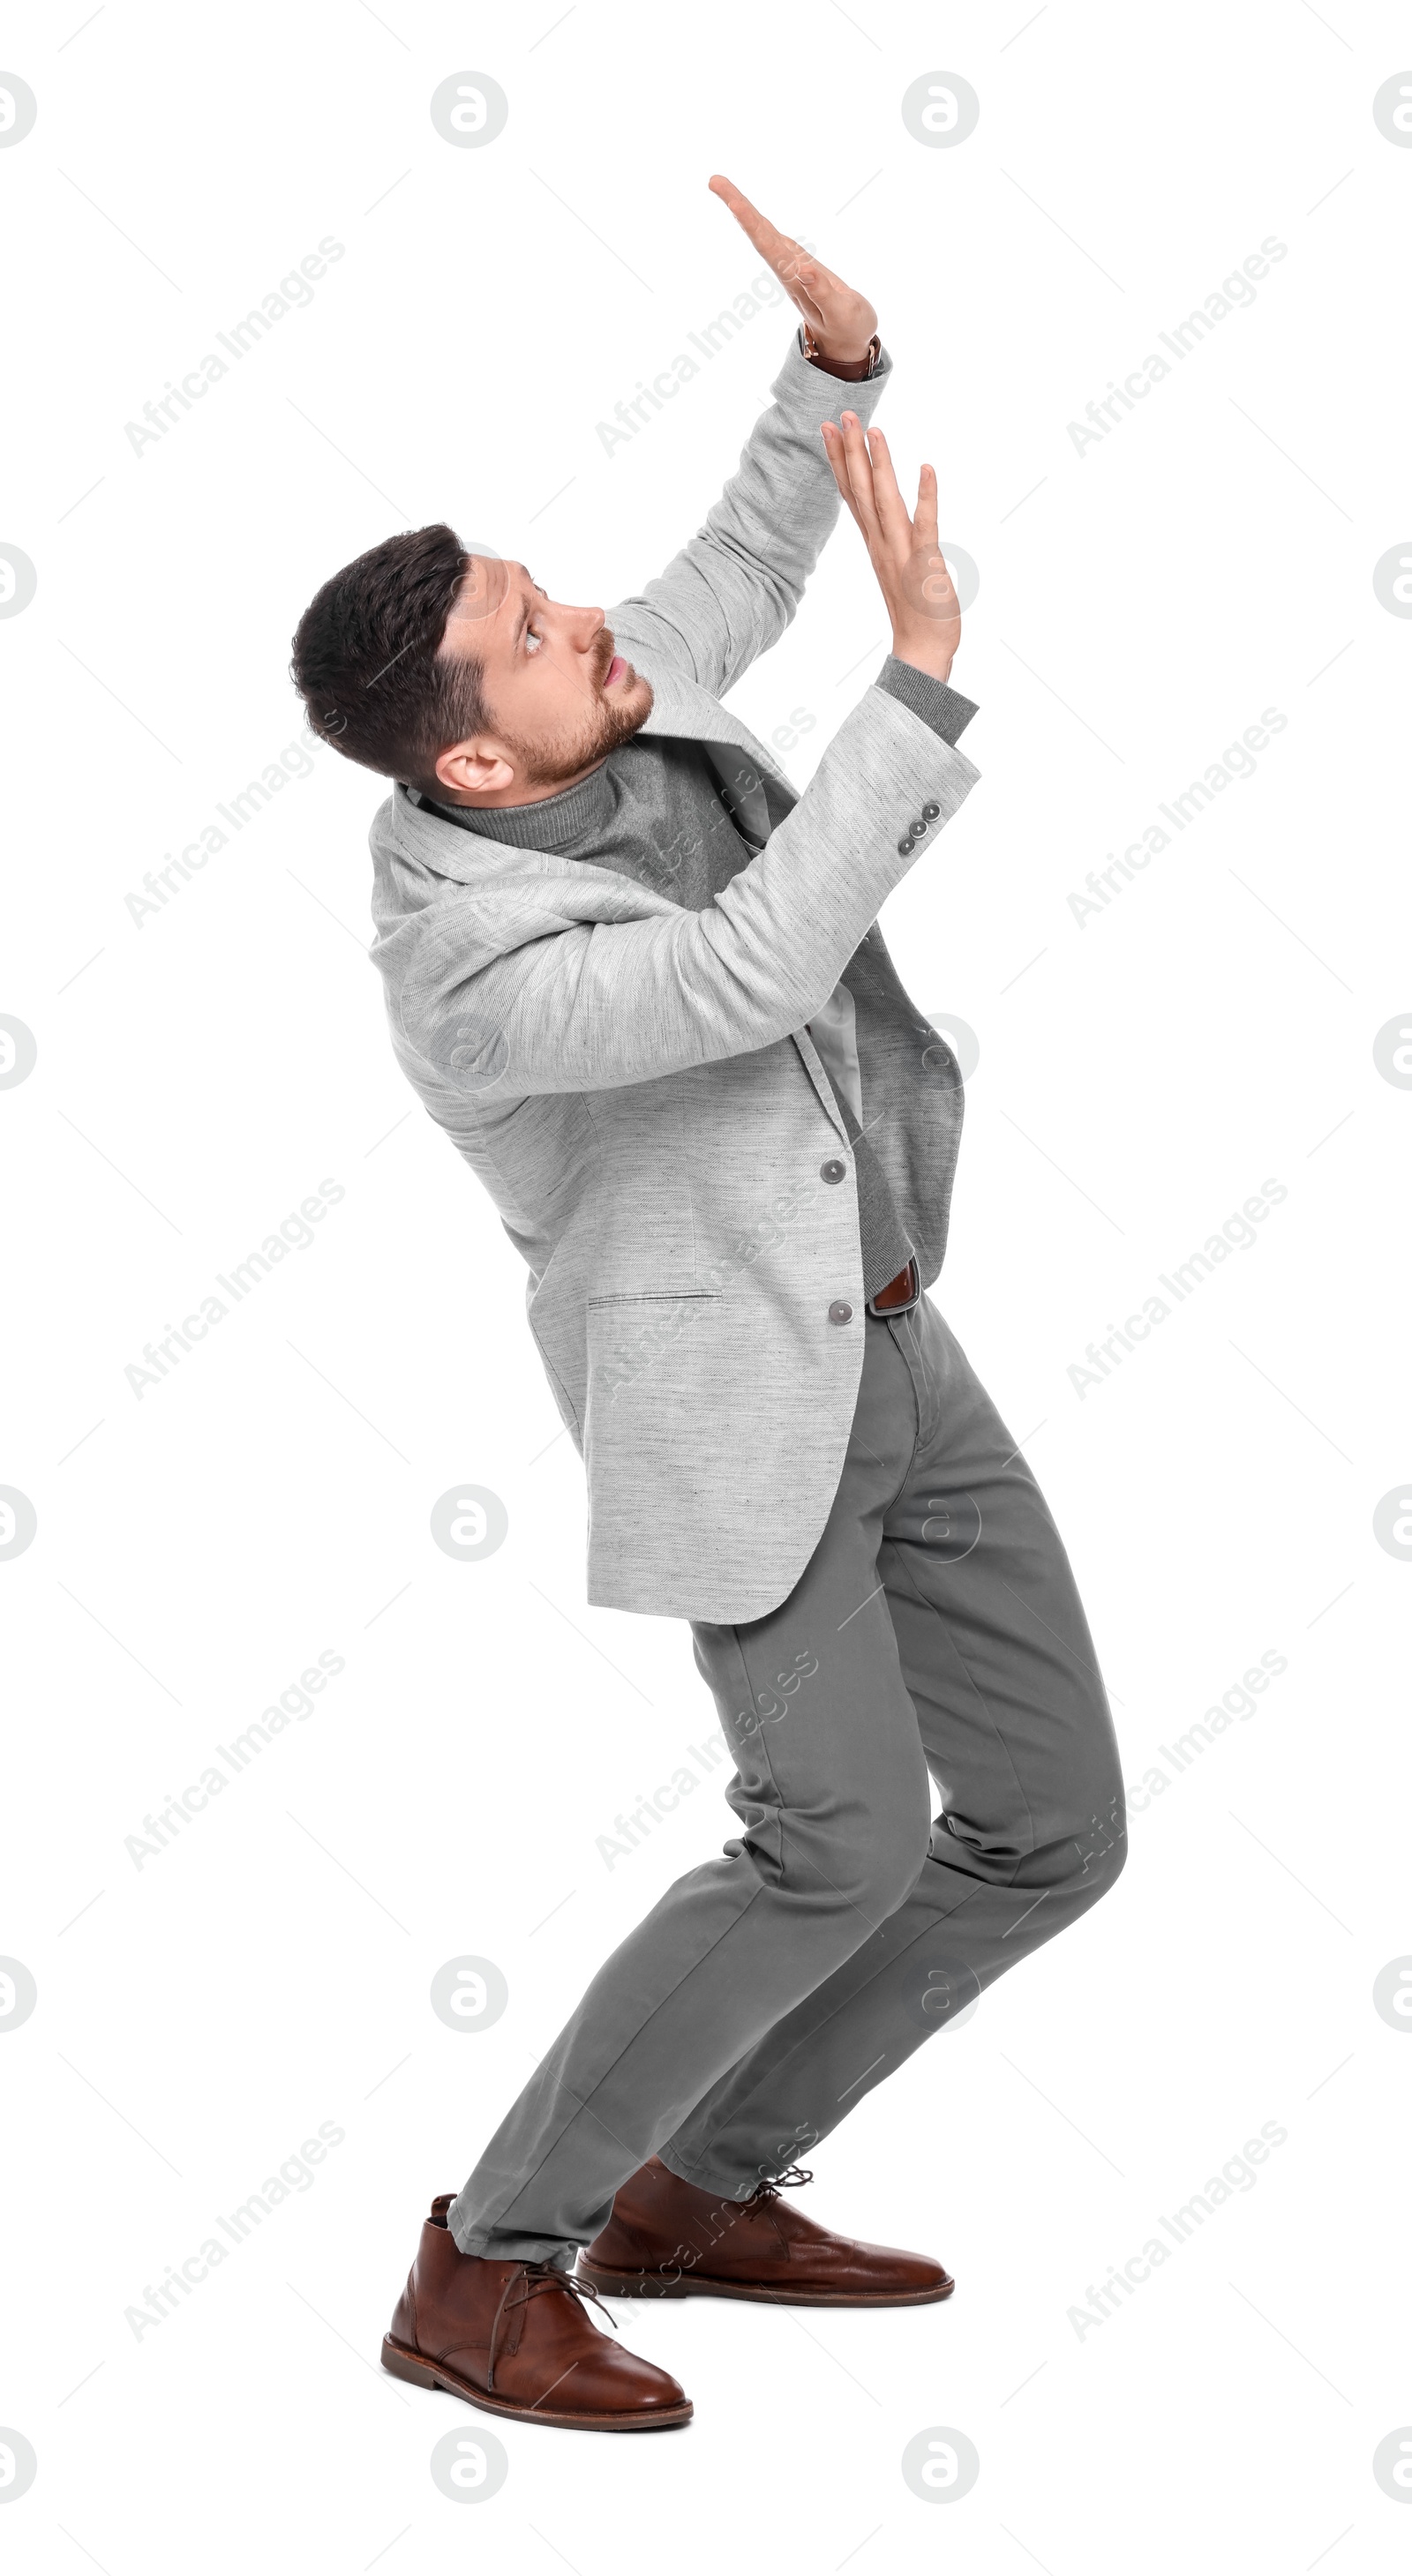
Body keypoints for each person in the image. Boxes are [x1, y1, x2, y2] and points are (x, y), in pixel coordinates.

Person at [290, 176, 1127, 2436]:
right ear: (473, 757)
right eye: (539, 626)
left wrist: (827, 372)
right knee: (838, 1835)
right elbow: (745, 965)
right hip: (733, 1407)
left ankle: (703, 2178)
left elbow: (729, 567)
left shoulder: (576, 705)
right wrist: (923, 668)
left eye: (546, 592)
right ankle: (486, 2259)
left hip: (894, 1337)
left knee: (1050, 1825)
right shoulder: (466, 971)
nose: (587, 621)